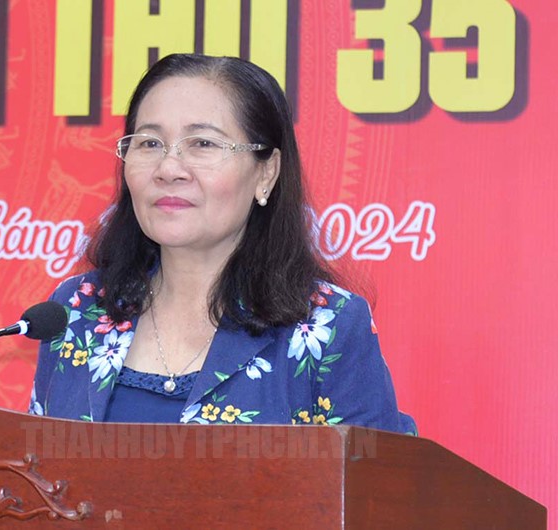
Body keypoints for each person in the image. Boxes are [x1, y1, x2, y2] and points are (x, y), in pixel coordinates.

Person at [29, 54, 415, 434]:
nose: (168, 169)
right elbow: (35, 465)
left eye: (202, 143)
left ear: (266, 172)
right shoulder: (77, 309)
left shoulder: (328, 327)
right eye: (149, 144)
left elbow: (373, 474)